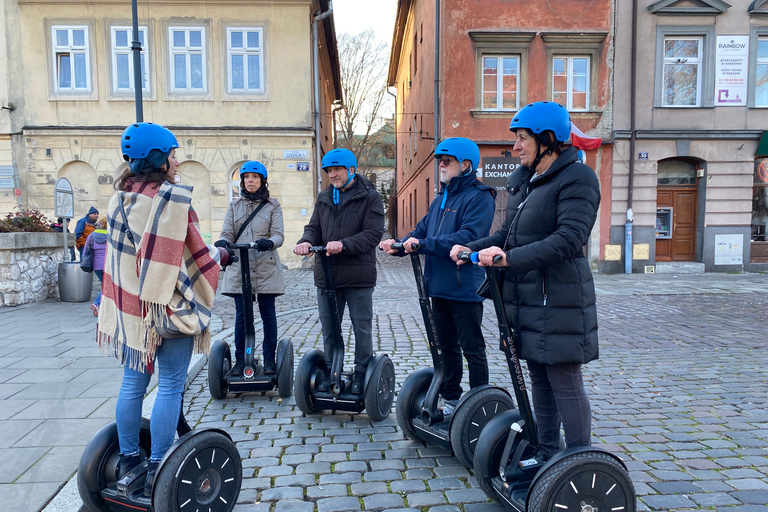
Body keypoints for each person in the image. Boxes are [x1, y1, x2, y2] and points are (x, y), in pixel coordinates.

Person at [450, 101, 601, 462]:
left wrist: (509, 260)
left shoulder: (579, 178)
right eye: (516, 139)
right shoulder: (527, 183)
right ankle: (548, 452)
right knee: (539, 381)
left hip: (559, 297)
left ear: (548, 139)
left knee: (563, 382)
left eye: (522, 139)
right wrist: (469, 247)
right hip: (526, 298)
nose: (515, 146)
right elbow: (507, 234)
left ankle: (579, 463)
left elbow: (569, 238)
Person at [97, 122, 235, 497]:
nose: (177, 161)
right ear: (158, 158)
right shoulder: (172, 202)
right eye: (173, 154)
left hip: (131, 309)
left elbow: (118, 260)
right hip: (168, 309)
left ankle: (128, 459)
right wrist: (220, 256)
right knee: (171, 385)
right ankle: (160, 464)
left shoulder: (119, 200)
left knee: (132, 384)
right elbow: (194, 258)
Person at [380, 137, 495, 414]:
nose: (441, 166)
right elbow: (421, 231)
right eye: (439, 161)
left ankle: (480, 402)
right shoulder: (440, 199)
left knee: (472, 348)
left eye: (447, 161)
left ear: (465, 165)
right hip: (438, 287)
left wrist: (423, 245)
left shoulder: (480, 197)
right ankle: (451, 396)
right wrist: (399, 245)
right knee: (446, 347)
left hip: (463, 287)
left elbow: (469, 236)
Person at [294, 148, 385, 395]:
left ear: (351, 170)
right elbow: (313, 227)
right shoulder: (324, 197)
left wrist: (344, 245)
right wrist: (306, 241)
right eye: (329, 170)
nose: (332, 174)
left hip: (358, 277)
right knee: (330, 328)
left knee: (361, 328)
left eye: (337, 169)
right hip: (327, 276)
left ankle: (361, 373)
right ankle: (333, 370)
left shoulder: (370, 197)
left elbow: (373, 234)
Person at [214, 161, 285, 376]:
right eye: (246, 177)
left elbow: (279, 234)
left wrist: (270, 242)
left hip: (265, 268)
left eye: (255, 177)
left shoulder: (273, 206)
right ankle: (241, 359)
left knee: (268, 315)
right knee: (241, 317)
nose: (250, 180)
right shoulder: (234, 206)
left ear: (262, 180)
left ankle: (270, 359)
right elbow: (227, 231)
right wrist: (222, 242)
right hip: (240, 268)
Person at [84, 216, 108, 316]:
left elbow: (86, 249)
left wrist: (84, 260)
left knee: (105, 284)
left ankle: (100, 308)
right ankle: (97, 304)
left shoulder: (92, 235)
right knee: (106, 285)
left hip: (96, 265)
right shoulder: (110, 235)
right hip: (107, 264)